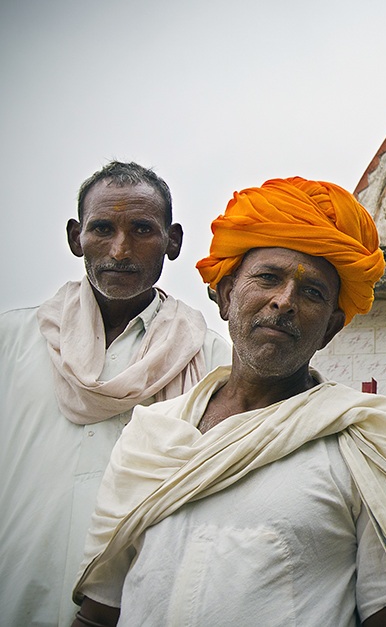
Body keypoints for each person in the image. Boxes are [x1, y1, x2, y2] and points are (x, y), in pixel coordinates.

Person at [71, 177, 386, 627]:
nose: (284, 301)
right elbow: (99, 612)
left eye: (311, 293)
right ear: (226, 296)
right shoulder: (150, 433)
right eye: (268, 278)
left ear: (331, 327)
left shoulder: (365, 441)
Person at [0, 161, 231, 626]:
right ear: (75, 237)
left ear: (173, 242)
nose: (120, 249)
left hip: (141, 607)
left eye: (142, 229)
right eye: (102, 228)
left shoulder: (212, 358)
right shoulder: (11, 342)